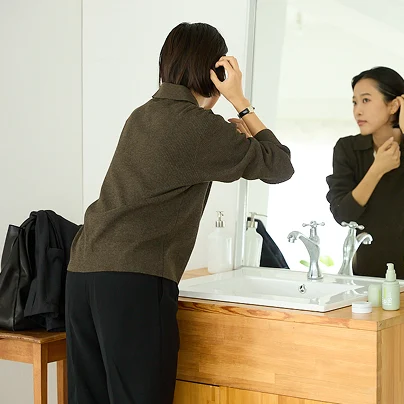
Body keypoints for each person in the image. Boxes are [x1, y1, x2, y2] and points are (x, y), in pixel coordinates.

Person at [65, 22, 294, 404]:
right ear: (214, 71)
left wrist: (226, 130)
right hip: (133, 280)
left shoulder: (142, 115)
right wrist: (240, 101)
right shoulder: (199, 127)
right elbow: (279, 165)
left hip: (83, 272)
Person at [326, 67, 404, 280]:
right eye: (355, 102)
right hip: (362, 278)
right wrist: (377, 169)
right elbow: (343, 215)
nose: (357, 111)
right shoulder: (348, 149)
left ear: (394, 105)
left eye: (366, 100)